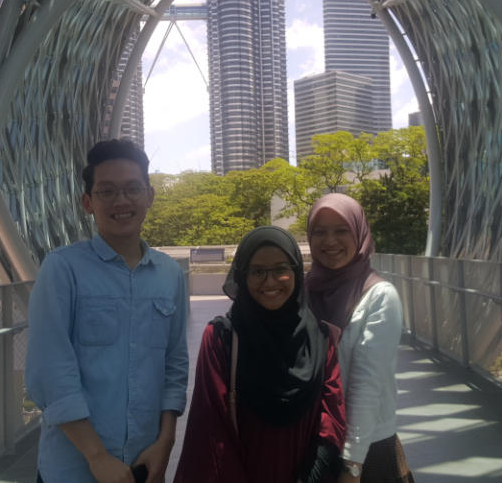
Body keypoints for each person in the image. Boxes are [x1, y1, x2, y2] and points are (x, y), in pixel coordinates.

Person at [25, 139, 188, 483]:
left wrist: (166, 441)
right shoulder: (62, 269)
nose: (121, 201)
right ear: (88, 202)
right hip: (74, 469)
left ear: (149, 196)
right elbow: (50, 371)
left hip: (145, 462)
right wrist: (96, 456)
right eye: (107, 191)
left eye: (132, 189)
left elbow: (174, 364)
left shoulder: (170, 274)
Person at [174, 226, 345, 483]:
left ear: (296, 271)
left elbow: (332, 417)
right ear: (243, 276)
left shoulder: (323, 339)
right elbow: (211, 430)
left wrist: (311, 476)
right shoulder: (221, 338)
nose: (270, 282)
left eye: (280, 269)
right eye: (257, 272)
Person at [306, 194, 413, 483]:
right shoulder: (305, 292)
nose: (330, 241)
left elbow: (367, 385)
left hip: (366, 448)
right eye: (320, 232)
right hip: (312, 441)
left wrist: (352, 465)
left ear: (359, 233)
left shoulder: (379, 296)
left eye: (342, 230)